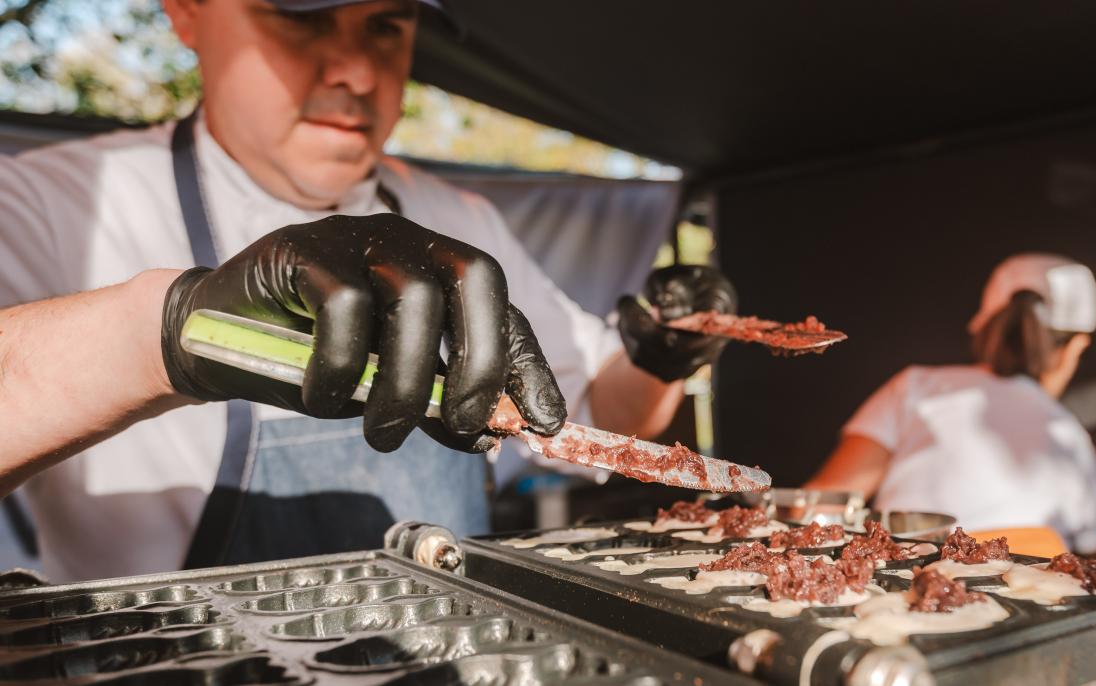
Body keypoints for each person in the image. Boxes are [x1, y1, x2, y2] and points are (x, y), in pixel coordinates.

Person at [0, 0, 735, 582]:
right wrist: (162, 333)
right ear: (186, 10)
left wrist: (659, 356)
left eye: (386, 24)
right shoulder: (49, 204)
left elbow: (597, 416)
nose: (355, 71)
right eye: (302, 16)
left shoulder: (458, 219)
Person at [805, 253, 1096, 553]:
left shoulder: (916, 387)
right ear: (1076, 348)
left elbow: (825, 503)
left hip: (902, 593)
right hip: (1030, 597)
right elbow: (1089, 540)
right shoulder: (1071, 437)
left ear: (985, 327)